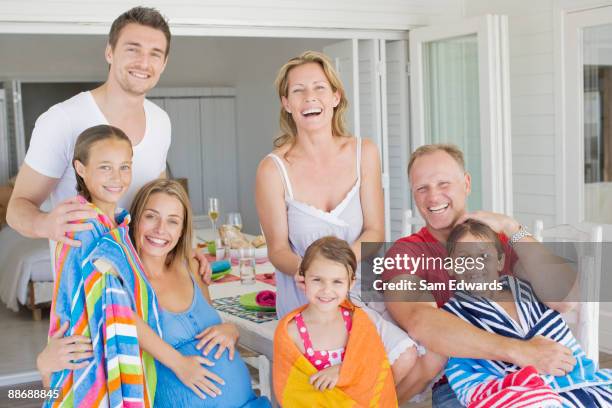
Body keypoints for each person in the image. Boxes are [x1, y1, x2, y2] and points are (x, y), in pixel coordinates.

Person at [255, 50, 435, 402]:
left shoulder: (363, 152)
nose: (311, 98)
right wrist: (319, 277)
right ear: (286, 104)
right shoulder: (272, 169)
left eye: (320, 88)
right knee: (387, 362)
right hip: (309, 290)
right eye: (298, 91)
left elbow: (375, 231)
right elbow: (277, 250)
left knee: (420, 356)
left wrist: (343, 273)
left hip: (360, 283)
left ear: (336, 97)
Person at [40, 176, 270, 407]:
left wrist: (231, 329)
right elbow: (81, 377)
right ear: (135, 219)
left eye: (173, 221)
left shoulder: (191, 266)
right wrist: (43, 364)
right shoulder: (119, 282)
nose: (161, 230)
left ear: (182, 230)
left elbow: (212, 326)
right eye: (151, 217)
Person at [382, 144, 579, 407]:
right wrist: (520, 351)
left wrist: (513, 228)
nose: (433, 197)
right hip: (466, 384)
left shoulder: (500, 239)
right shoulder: (406, 252)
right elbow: (421, 321)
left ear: (466, 183)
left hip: (546, 373)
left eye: (443, 183)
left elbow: (564, 298)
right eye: (422, 188)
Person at [45, 125, 164, 406]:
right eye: (105, 167)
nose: (118, 178)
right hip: (89, 361)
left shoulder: (119, 226)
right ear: (81, 168)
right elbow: (93, 311)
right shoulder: (82, 227)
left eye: (125, 167)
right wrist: (45, 361)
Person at [442, 219, 612, 407]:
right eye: (464, 258)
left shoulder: (530, 288)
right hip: (521, 395)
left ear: (500, 262)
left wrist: (510, 227)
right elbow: (464, 368)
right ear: (450, 266)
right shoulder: (454, 315)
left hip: (579, 380)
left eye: (484, 256)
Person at [273, 236, 397, 407]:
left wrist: (342, 371)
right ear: (303, 278)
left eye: (337, 282)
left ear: (351, 283)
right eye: (317, 280)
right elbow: (292, 389)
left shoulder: (358, 323)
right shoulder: (291, 332)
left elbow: (372, 368)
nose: (326, 290)